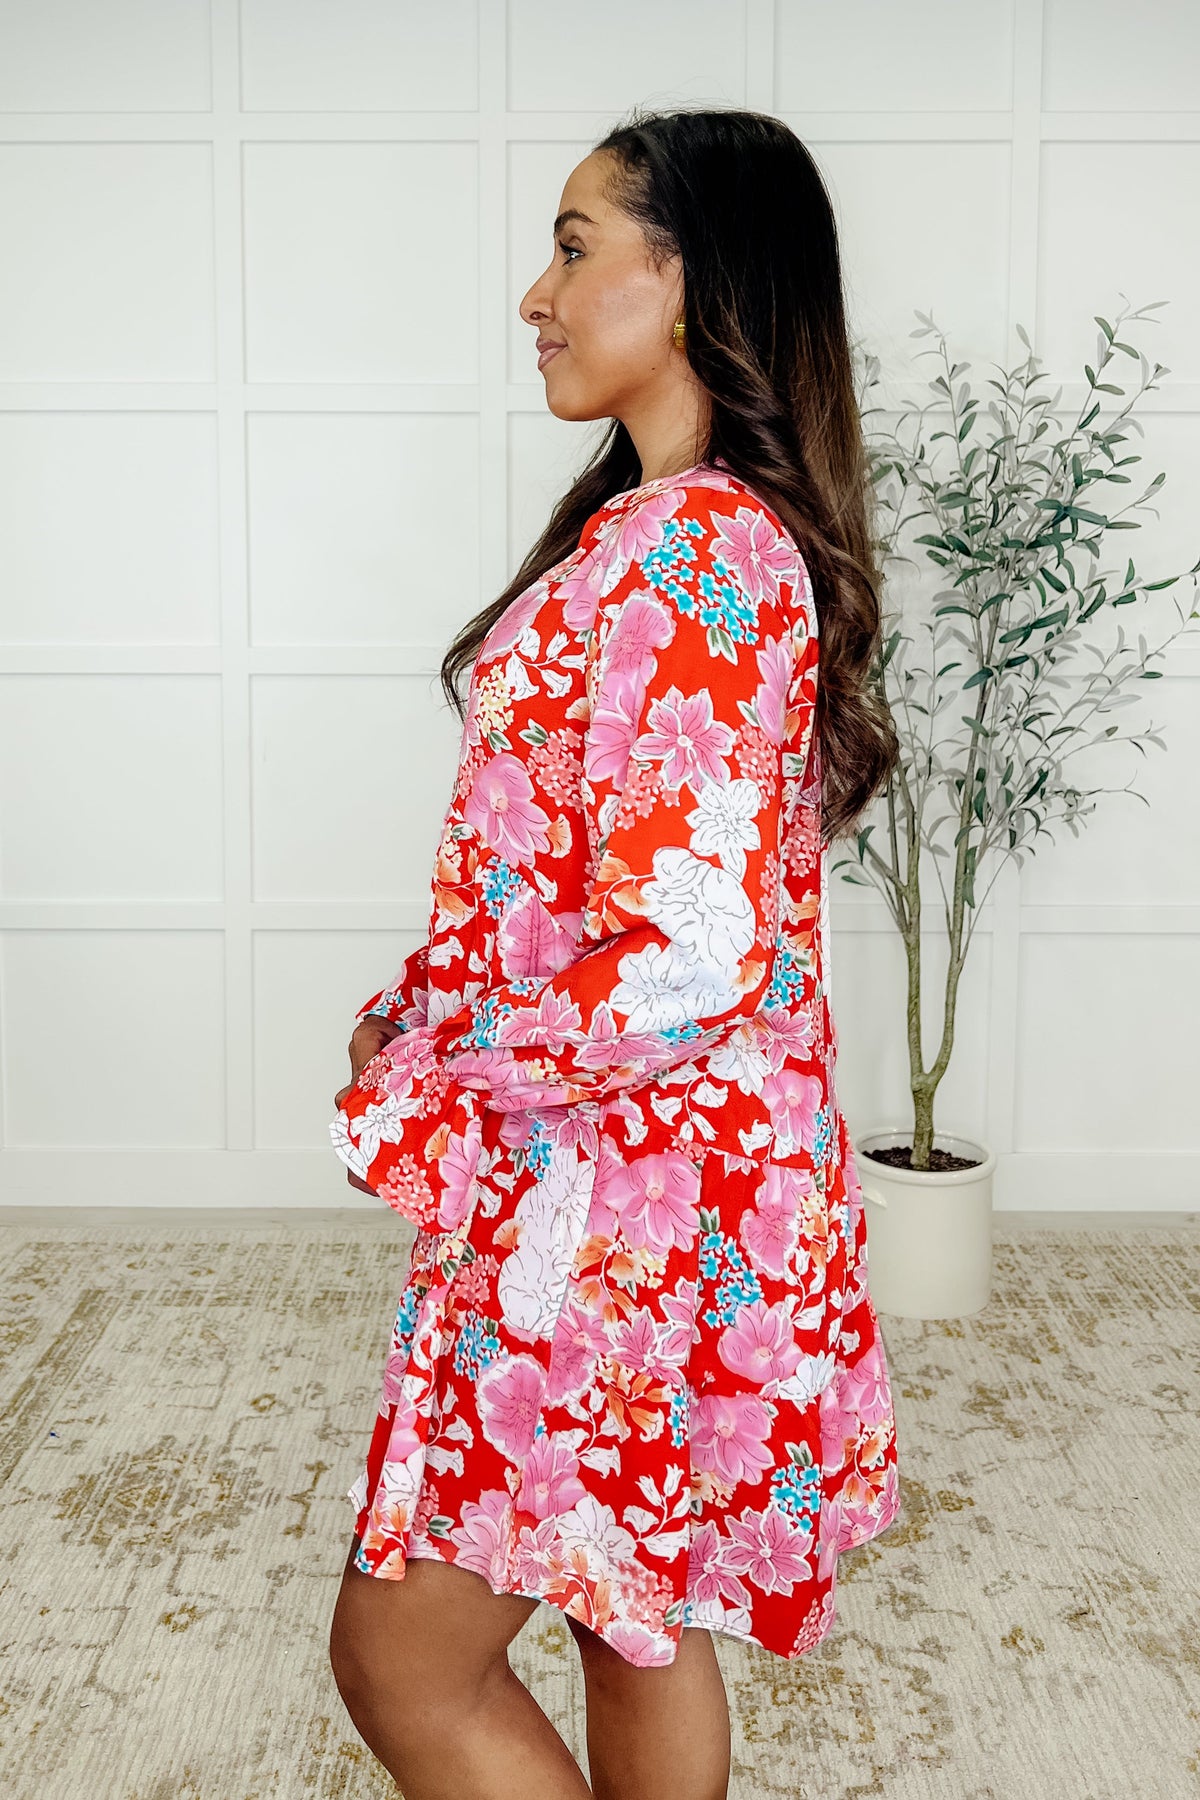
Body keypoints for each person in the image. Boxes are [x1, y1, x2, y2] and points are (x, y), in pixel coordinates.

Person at [326, 106, 901, 1800]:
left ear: (691, 276)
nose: (538, 294)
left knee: (403, 1659)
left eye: (576, 249)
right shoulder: (684, 531)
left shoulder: (697, 547)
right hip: (651, 1177)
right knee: (626, 1608)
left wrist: (436, 1060)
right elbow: (598, 887)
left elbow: (685, 955)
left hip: (621, 1200)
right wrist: (418, 1010)